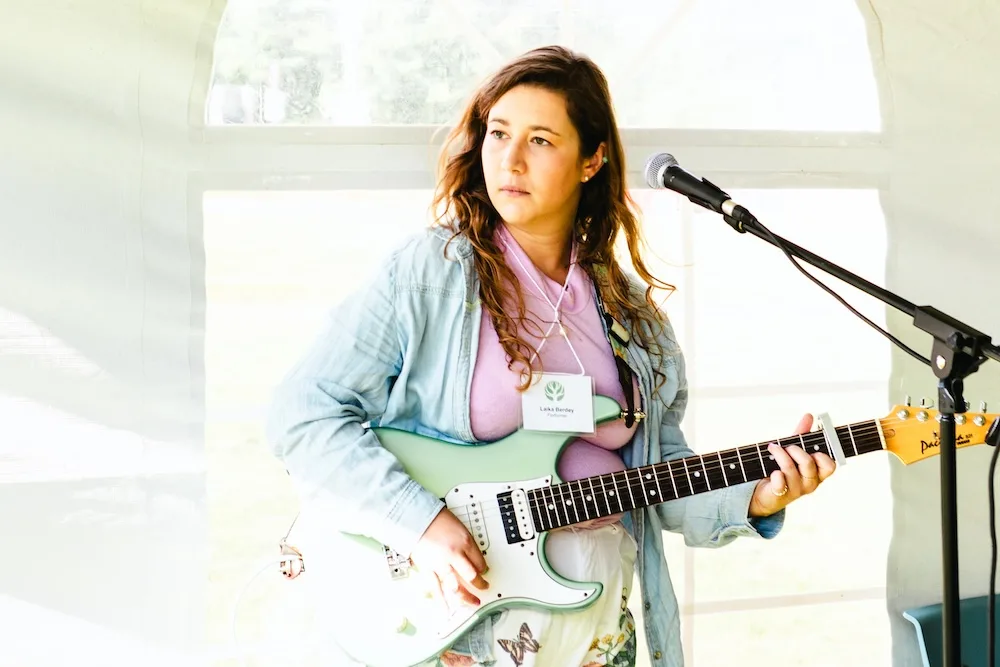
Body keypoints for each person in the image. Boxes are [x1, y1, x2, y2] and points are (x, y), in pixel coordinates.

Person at [266, 45, 837, 667]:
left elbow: (661, 475)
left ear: (592, 160)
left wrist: (755, 497)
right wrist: (420, 523)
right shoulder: (431, 274)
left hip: (597, 635)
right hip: (458, 631)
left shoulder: (633, 317)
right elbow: (303, 414)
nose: (509, 159)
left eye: (539, 140)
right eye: (498, 133)